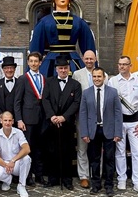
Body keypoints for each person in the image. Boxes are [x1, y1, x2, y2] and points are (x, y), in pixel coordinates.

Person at [29, 0, 97, 77]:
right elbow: (35, 48)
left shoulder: (79, 22)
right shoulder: (44, 22)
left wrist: (95, 69)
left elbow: (89, 47)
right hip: (50, 63)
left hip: (74, 63)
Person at [108, 55, 138, 194]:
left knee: (137, 151)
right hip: (119, 122)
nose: (122, 66)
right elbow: (109, 104)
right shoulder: (112, 81)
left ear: (130, 66)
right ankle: (122, 179)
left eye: (125, 64)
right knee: (120, 151)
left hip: (135, 122)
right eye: (120, 64)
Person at [79, 67, 123, 196]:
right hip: (93, 130)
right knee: (94, 159)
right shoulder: (86, 93)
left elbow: (117, 113)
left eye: (99, 76)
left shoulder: (112, 92)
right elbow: (83, 114)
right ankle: (96, 184)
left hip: (109, 129)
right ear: (92, 78)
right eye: (94, 77)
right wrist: (85, 133)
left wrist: (118, 132)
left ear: (104, 77)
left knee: (109, 159)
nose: (97, 79)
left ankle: (109, 185)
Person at [41, 56, 82, 189]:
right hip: (52, 123)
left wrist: (64, 117)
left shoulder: (75, 85)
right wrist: (52, 116)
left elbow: (76, 103)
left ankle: (67, 179)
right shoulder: (49, 82)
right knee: (52, 151)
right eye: (60, 68)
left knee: (67, 151)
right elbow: (45, 100)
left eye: (65, 68)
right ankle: (53, 178)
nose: (63, 70)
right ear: (56, 69)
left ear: (69, 69)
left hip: (67, 123)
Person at [13, 52, 46, 185]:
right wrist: (19, 119)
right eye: (31, 61)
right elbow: (17, 101)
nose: (33, 63)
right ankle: (27, 176)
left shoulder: (43, 78)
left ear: (40, 63)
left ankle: (39, 174)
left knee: (39, 148)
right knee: (28, 148)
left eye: (36, 61)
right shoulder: (23, 78)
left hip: (41, 119)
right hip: (27, 119)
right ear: (28, 63)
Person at [71, 50, 97, 188]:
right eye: (86, 59)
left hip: (98, 116)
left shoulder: (102, 73)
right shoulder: (77, 74)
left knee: (97, 147)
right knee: (82, 147)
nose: (89, 61)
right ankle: (84, 176)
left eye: (91, 59)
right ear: (82, 59)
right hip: (82, 115)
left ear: (95, 59)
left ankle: (96, 174)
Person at [0, 111, 31, 197]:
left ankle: (21, 185)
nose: (7, 123)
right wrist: (6, 165)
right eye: (5, 120)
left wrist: (13, 160)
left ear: (13, 121)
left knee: (27, 158)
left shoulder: (18, 132)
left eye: (9, 120)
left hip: (16, 163)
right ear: (1, 120)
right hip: (4, 163)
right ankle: (7, 180)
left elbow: (27, 149)